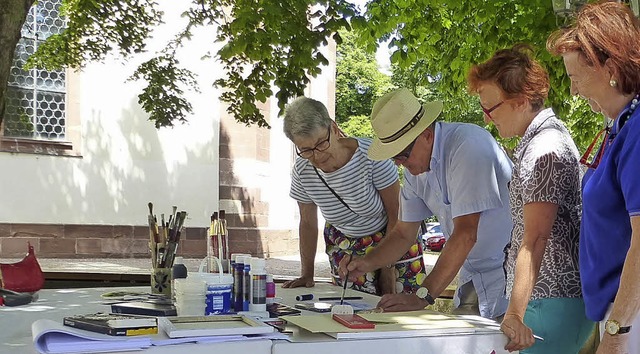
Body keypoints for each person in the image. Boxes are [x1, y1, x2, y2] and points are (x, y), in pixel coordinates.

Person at [340, 88, 512, 319]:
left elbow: (465, 234)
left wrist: (422, 296)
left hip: (513, 274)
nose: (400, 164)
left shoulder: (469, 146)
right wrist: (367, 262)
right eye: (394, 158)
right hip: (475, 273)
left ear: (427, 135)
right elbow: (403, 233)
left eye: (403, 155)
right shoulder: (416, 168)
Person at [468, 44, 593, 353]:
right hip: (547, 301)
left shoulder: (543, 149)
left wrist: (514, 313)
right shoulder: (542, 141)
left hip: (550, 301)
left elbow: (535, 237)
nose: (487, 120)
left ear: (521, 101)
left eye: (490, 110)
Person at [547, 2, 640, 353]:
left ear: (611, 68)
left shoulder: (637, 131)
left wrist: (618, 332)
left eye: (575, 78)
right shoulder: (621, 127)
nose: (572, 91)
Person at [282, 96, 425, 295]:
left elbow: (396, 213)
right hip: (347, 243)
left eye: (321, 143)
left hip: (393, 235)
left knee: (403, 305)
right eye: (306, 150)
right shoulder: (302, 171)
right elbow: (307, 222)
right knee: (355, 309)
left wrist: (386, 268)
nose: (318, 156)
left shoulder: (372, 156)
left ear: (333, 127)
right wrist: (307, 274)